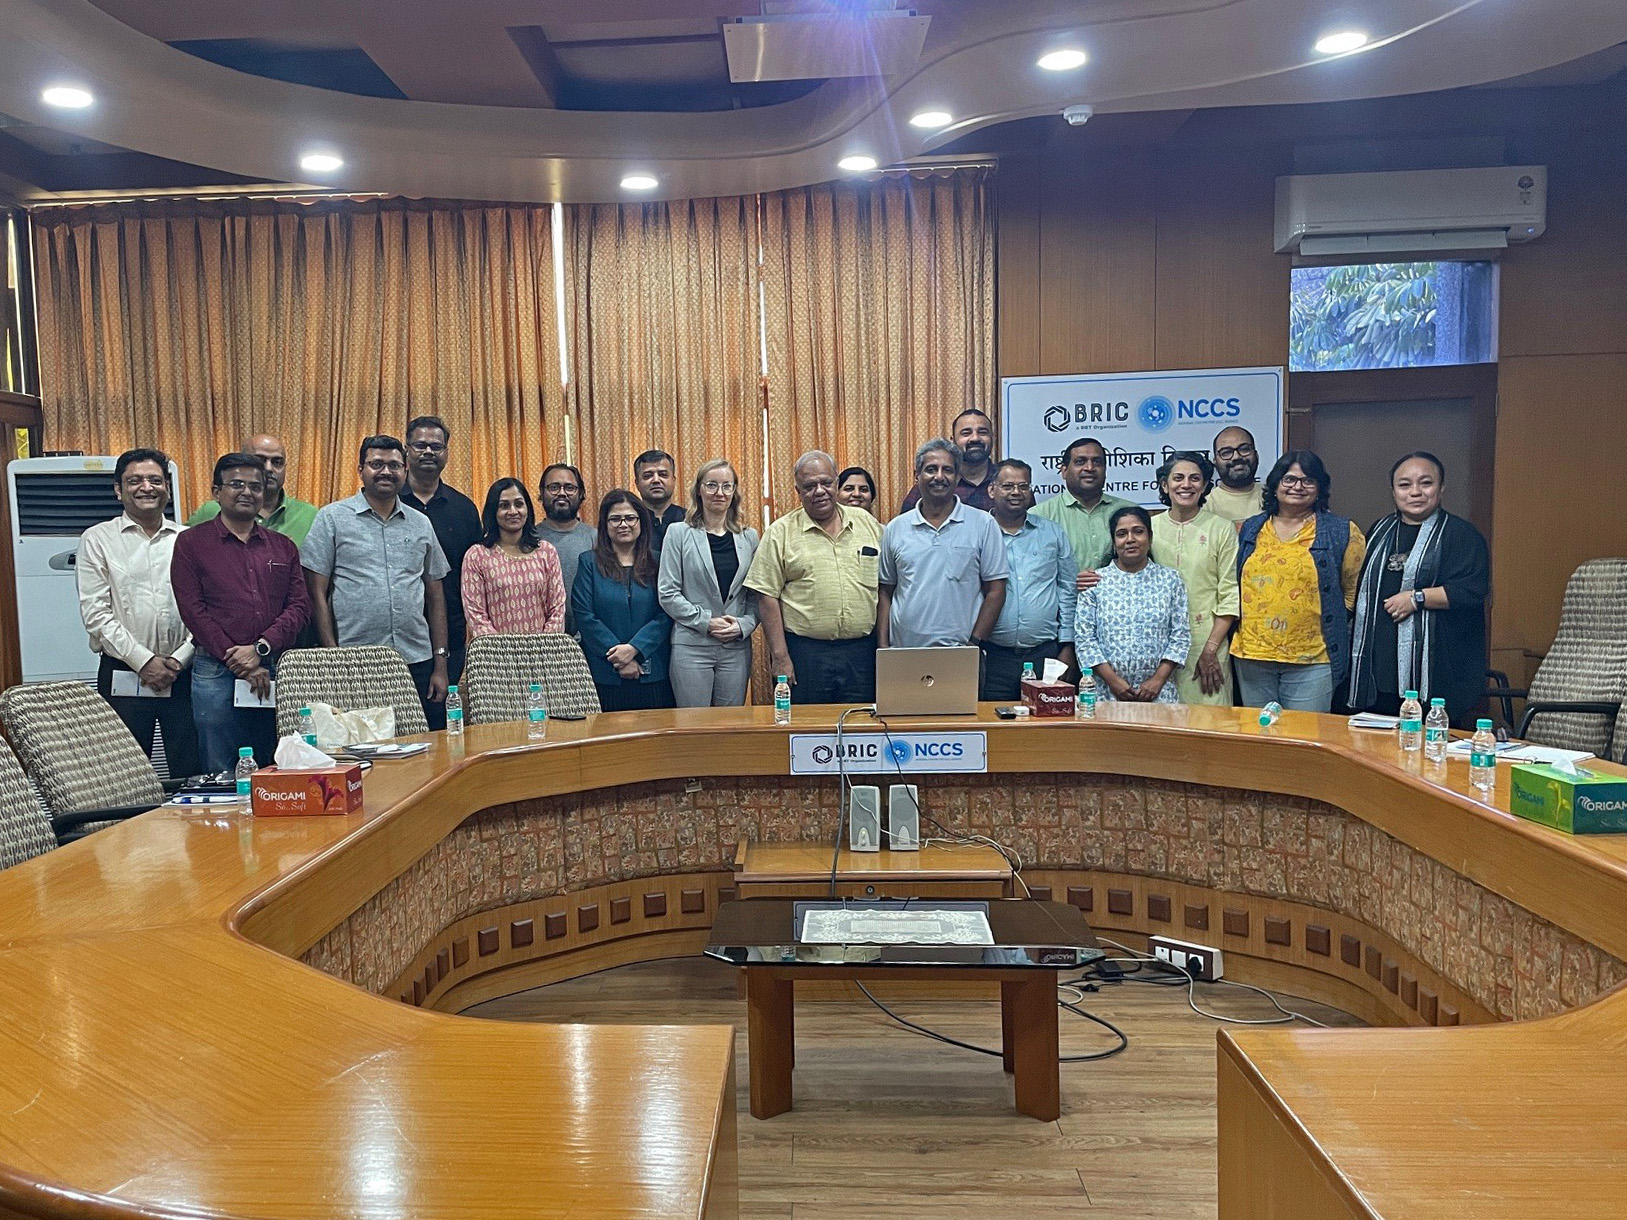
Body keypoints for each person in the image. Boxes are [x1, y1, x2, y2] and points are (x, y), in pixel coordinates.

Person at [171, 453, 311, 772]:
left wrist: (260, 649)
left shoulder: (283, 546)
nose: (247, 492)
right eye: (236, 484)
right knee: (219, 761)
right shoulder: (191, 543)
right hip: (214, 669)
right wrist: (239, 661)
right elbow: (192, 610)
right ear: (216, 491)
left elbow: (300, 606)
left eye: (255, 486)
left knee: (277, 760)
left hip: (275, 663)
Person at [301, 435, 452, 728]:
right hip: (356, 661)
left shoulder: (421, 523)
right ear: (361, 470)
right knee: (364, 747)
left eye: (394, 465)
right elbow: (316, 593)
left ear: (405, 471)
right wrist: (332, 655)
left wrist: (441, 664)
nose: (386, 471)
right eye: (376, 464)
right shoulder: (331, 518)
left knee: (423, 747)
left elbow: (435, 595)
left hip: (416, 659)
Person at [77, 447, 199, 777]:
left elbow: (204, 609)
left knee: (190, 772)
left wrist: (179, 659)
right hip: (123, 672)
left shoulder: (187, 540)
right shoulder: (97, 540)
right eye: (135, 480)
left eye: (155, 480)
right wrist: (144, 661)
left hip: (183, 673)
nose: (146, 486)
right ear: (119, 489)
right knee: (124, 777)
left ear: (167, 488)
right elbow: (96, 613)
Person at [1349, 452, 1490, 727]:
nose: (1415, 492)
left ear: (1441, 488)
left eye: (1425, 483)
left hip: (1438, 674)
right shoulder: (1380, 530)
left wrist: (1417, 598)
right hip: (1380, 672)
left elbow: (1471, 591)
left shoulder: (1460, 534)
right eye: (1404, 485)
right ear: (1393, 491)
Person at [743, 451, 883, 705]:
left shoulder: (868, 524)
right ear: (798, 491)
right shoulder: (781, 532)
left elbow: (886, 585)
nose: (819, 491)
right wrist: (780, 656)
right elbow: (766, 596)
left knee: (862, 731)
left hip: (862, 654)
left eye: (826, 483)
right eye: (809, 486)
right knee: (807, 732)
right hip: (805, 655)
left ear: (836, 483)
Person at [1232, 450, 1367, 713]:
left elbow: (1352, 594)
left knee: (1305, 741)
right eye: (1289, 479)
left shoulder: (1342, 531)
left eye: (1308, 481)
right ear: (1275, 485)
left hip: (1313, 658)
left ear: (1319, 488)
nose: (1297, 487)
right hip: (1252, 657)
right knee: (1262, 740)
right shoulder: (1251, 528)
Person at [878, 439, 1007, 650]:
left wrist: (974, 643)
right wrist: (883, 647)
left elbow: (996, 590)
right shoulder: (896, 528)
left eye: (947, 470)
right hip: (903, 652)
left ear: (958, 477)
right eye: (931, 469)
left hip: (962, 651)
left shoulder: (983, 524)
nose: (939, 476)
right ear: (917, 476)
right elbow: (885, 592)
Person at [658, 459, 760, 707]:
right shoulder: (678, 533)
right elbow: (668, 592)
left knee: (730, 728)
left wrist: (744, 625)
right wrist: (706, 622)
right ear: (699, 490)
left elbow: (758, 594)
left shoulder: (749, 536)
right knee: (694, 727)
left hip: (735, 645)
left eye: (727, 486)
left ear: (734, 491)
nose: (719, 493)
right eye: (712, 485)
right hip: (692, 645)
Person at [1074, 505, 1191, 704]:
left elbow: (1180, 635)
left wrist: (1157, 680)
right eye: (1121, 534)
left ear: (1150, 537)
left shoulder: (1170, 580)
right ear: (1113, 542)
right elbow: (1085, 639)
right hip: (1107, 693)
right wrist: (1113, 681)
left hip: (1159, 693)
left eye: (1138, 531)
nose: (1130, 539)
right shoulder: (1096, 582)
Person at [982, 459, 1076, 701]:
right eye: (1008, 486)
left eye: (1024, 486)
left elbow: (1067, 590)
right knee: (994, 727)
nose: (1016, 492)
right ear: (992, 490)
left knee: (1046, 731)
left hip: (1045, 655)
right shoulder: (978, 533)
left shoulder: (1052, 533)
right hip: (992, 656)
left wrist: (1068, 647)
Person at [1150, 451, 1240, 706]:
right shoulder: (1149, 528)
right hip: (1157, 645)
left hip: (1207, 642)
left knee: (1210, 727)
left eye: (1195, 478)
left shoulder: (1221, 528)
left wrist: (1210, 649)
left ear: (1204, 486)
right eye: (1178, 478)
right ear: (1165, 485)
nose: (1186, 485)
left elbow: (1230, 593)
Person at [399, 416, 483, 685]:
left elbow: (474, 577)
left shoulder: (464, 509)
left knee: (443, 722)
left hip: (451, 638)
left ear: (446, 452)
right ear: (406, 449)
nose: (427, 452)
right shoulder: (387, 502)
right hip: (395, 635)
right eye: (420, 445)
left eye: (436, 447)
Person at [572, 491, 674, 711]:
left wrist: (636, 648)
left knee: (654, 742)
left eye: (630, 518)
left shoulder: (659, 560)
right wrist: (620, 656)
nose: (623, 524)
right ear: (605, 525)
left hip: (653, 670)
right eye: (615, 519)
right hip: (605, 673)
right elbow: (584, 615)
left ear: (641, 522)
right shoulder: (589, 562)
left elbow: (667, 611)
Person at [461, 479, 567, 638]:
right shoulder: (477, 556)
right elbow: (476, 616)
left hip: (543, 655)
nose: (512, 511)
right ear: (493, 511)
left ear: (527, 509)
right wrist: (506, 653)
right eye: (504, 505)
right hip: (496, 657)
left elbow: (557, 609)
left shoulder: (546, 552)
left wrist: (542, 648)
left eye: (518, 504)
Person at [186, 433, 318, 544]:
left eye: (277, 462)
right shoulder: (212, 510)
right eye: (259, 461)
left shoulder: (310, 516)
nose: (268, 468)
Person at [1033, 436, 1134, 581]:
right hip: (1063, 602)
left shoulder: (1128, 511)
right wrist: (1069, 582)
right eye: (1080, 462)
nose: (1090, 468)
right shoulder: (1039, 517)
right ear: (1064, 471)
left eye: (1097, 462)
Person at [899, 408, 998, 512]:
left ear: (992, 438)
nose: (975, 438)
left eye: (982, 432)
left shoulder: (1006, 481)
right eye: (966, 433)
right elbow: (906, 524)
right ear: (953, 440)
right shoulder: (932, 484)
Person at [537, 463, 596, 635]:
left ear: (581, 494)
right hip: (540, 641)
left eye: (569, 487)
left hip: (589, 641)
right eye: (554, 487)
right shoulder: (528, 539)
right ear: (541, 493)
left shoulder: (596, 538)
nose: (562, 493)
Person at [1208, 426, 1264, 527]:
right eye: (1226, 452)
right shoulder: (1204, 506)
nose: (1236, 457)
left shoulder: (1275, 497)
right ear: (1215, 462)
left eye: (1244, 449)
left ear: (1256, 455)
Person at [633, 449, 686, 550]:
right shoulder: (630, 523)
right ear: (637, 483)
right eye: (648, 476)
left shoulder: (690, 521)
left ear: (673, 480)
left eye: (663, 474)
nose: (656, 480)